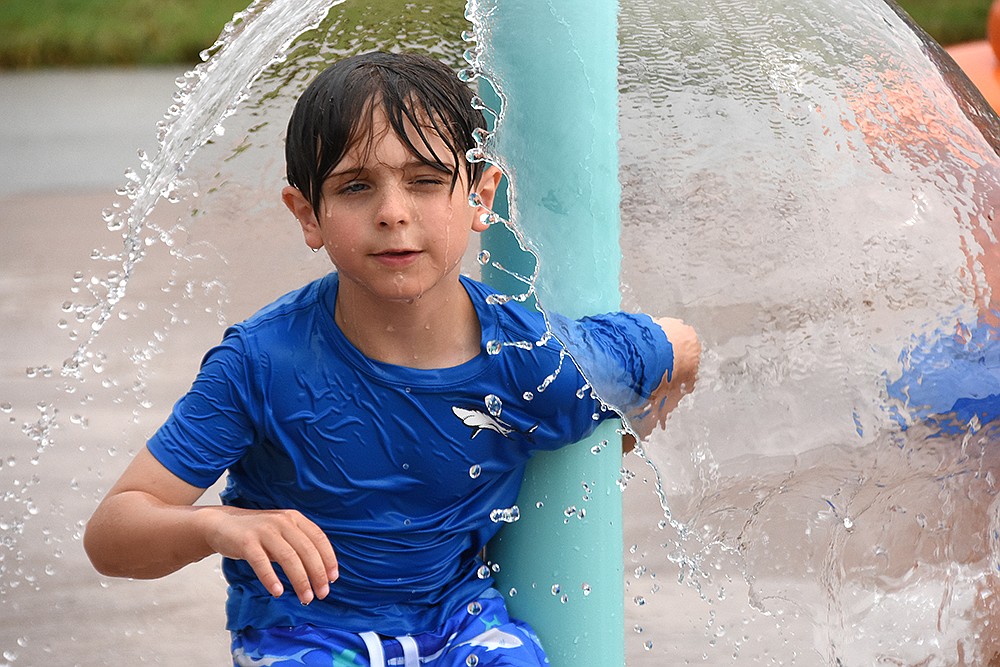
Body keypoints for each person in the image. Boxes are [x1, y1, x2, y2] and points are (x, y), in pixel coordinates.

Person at [84, 51, 700, 666]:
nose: (393, 212)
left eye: (427, 181)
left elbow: (678, 347)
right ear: (308, 215)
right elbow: (114, 533)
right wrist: (219, 528)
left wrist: (611, 444)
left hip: (464, 627)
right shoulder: (263, 363)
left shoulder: (534, 358)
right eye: (355, 187)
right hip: (304, 640)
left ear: (480, 196)